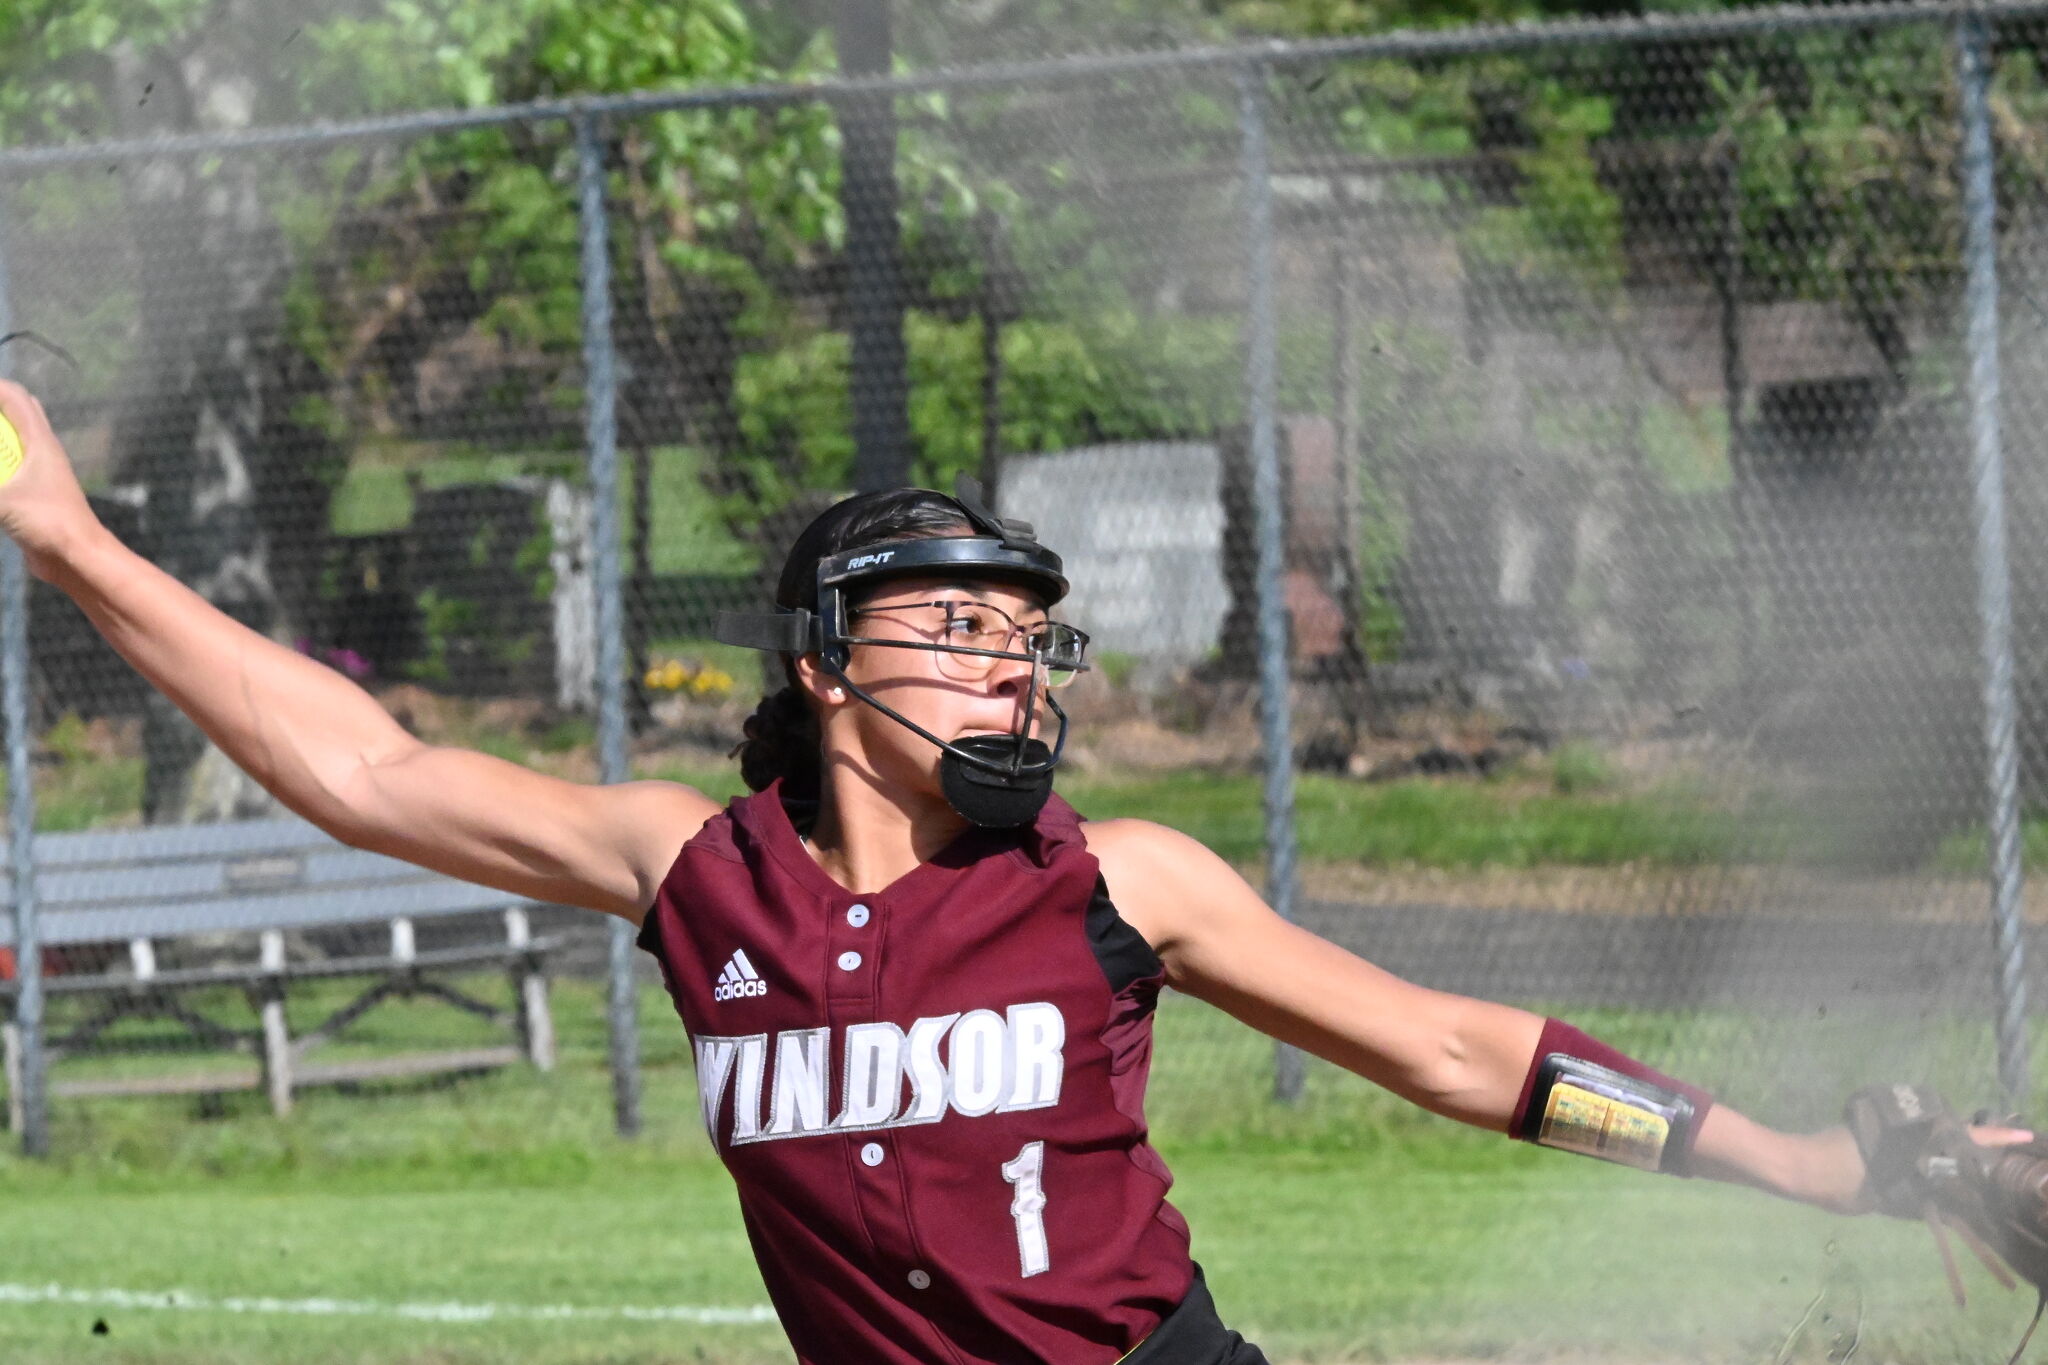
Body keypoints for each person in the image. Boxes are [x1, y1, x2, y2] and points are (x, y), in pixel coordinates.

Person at [0, 380, 2026, 1365]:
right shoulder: (695, 867)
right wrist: (73, 541)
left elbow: (1451, 1046)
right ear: (822, 662)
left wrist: (1795, 1160)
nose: (1010, 663)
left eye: (1029, 635)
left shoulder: (1112, 875)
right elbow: (364, 768)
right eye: (955, 625)